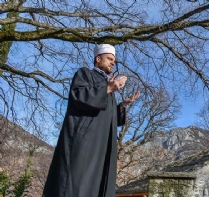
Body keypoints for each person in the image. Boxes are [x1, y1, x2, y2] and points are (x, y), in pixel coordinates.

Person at [42, 44, 140, 197]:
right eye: (109, 59)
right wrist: (108, 89)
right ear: (98, 59)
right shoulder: (85, 74)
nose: (113, 62)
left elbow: (108, 117)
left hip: (103, 145)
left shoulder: (108, 85)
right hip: (85, 142)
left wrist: (122, 105)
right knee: (77, 184)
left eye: (114, 60)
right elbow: (78, 96)